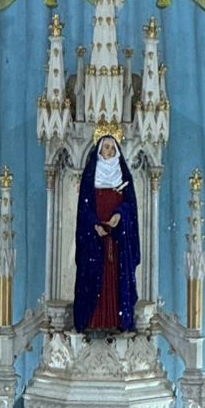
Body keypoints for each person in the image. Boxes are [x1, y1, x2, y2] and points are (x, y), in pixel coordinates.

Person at [73, 134, 140, 333]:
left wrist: (119, 215)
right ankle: (93, 322)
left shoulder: (123, 176)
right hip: (94, 239)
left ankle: (116, 322)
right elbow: (84, 208)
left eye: (112, 148)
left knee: (116, 278)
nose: (109, 151)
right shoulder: (90, 175)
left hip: (117, 239)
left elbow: (130, 205)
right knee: (95, 276)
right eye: (106, 147)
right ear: (99, 150)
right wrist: (95, 225)